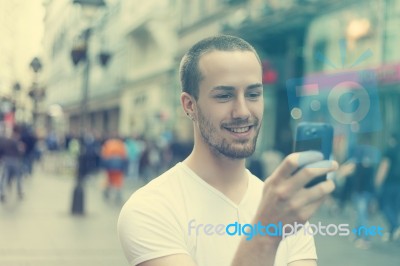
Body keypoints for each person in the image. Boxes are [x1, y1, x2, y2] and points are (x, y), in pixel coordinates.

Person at [118, 35, 338, 266]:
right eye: (224, 96)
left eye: (253, 94)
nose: (243, 111)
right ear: (189, 105)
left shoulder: (282, 206)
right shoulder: (150, 208)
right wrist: (265, 232)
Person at [375, 133, 400, 242]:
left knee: (385, 206)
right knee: (395, 208)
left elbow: (384, 168)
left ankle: (395, 227)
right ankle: (392, 232)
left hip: (389, 184)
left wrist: (377, 183)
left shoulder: (389, 151)